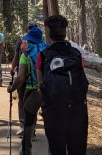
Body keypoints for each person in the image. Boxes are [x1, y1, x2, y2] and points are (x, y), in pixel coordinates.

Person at [37, 15, 88, 155]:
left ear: (49, 33)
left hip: (54, 111)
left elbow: (40, 85)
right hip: (78, 110)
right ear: (65, 32)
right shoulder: (76, 54)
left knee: (56, 149)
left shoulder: (43, 55)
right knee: (77, 149)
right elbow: (83, 80)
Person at [7, 25, 47, 155]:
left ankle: (26, 149)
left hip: (33, 90)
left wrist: (11, 88)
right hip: (49, 91)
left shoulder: (27, 54)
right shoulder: (49, 49)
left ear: (30, 40)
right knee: (51, 122)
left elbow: (20, 78)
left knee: (29, 119)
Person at [10, 22, 37, 136]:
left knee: (22, 100)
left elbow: (16, 56)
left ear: (27, 30)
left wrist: (12, 68)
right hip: (35, 77)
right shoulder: (40, 43)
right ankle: (32, 130)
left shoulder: (21, 40)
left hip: (22, 74)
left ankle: (22, 125)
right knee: (33, 103)